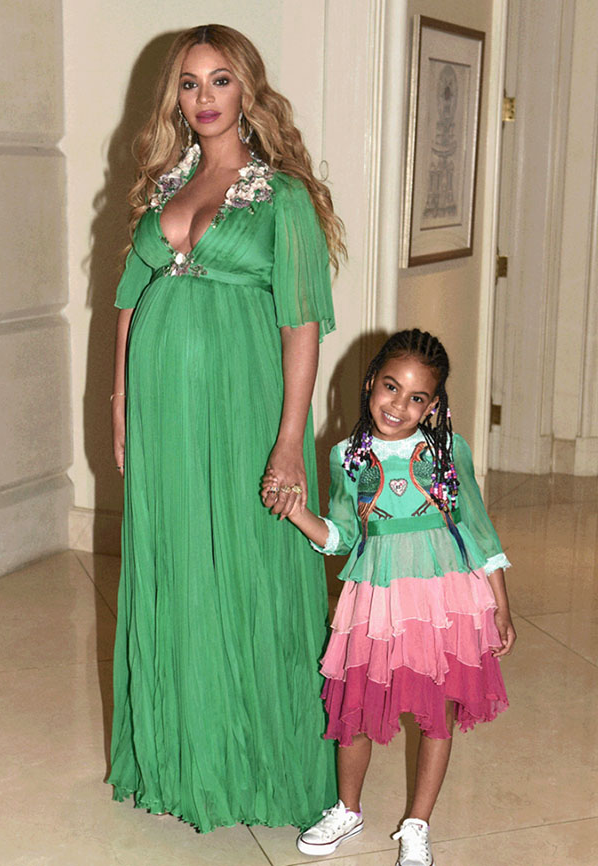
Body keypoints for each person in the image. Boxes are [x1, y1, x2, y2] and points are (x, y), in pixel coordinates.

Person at [109, 24, 344, 833]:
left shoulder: (283, 196)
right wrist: (118, 401)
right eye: (189, 83)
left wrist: (289, 438)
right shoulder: (162, 184)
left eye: (219, 80)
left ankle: (263, 761)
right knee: (176, 559)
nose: (203, 97)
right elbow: (129, 298)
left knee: (250, 561)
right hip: (161, 407)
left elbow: (301, 322)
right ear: (174, 98)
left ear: (247, 90)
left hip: (244, 401)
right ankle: (182, 758)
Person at [263, 329, 516, 866]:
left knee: (436, 713)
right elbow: (342, 536)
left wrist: (500, 604)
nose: (398, 406)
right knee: (355, 705)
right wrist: (298, 514)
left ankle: (418, 824)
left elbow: (478, 529)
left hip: (444, 600)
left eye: (417, 397)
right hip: (376, 601)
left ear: (434, 405)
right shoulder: (347, 457)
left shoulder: (447, 452)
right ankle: (347, 809)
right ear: (370, 383)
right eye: (391, 387)